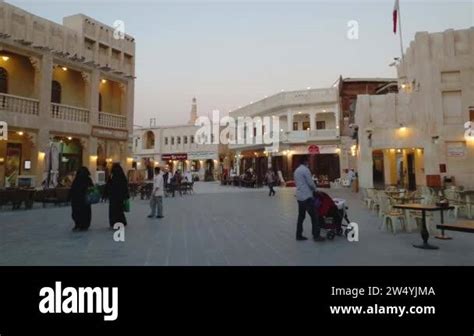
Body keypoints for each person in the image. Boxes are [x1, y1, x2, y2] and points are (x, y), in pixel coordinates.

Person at [294, 157, 325, 242]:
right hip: (307, 196)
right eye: (308, 162)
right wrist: (315, 189)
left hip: (299, 196)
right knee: (315, 216)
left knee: (301, 217)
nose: (309, 164)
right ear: (305, 162)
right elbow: (310, 183)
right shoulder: (305, 170)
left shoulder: (296, 170)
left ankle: (298, 235)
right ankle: (316, 235)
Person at [105, 163, 130, 228]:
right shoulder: (122, 176)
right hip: (120, 197)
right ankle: (121, 221)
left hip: (113, 197)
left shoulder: (112, 176)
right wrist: (126, 196)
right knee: (120, 210)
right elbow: (125, 187)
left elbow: (109, 186)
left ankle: (114, 222)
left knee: (113, 210)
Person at [69, 167, 93, 232]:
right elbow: (91, 188)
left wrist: (69, 197)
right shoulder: (87, 179)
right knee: (85, 213)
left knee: (77, 213)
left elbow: (72, 189)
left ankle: (78, 224)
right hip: (84, 200)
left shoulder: (77, 179)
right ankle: (84, 225)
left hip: (77, 200)